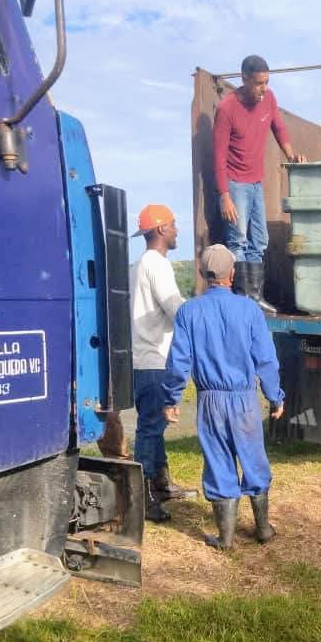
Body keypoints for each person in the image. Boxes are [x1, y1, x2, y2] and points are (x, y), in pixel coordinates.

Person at [162, 244, 285, 550]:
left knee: (218, 462)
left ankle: (226, 538)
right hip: (244, 400)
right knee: (254, 458)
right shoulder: (250, 310)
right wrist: (275, 397)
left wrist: (171, 399)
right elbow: (266, 360)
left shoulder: (189, 311)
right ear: (232, 273)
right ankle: (263, 530)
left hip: (210, 401)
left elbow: (178, 361)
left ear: (203, 274)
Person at [212, 54, 306, 314]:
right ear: (244, 79)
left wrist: (291, 155)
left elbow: (279, 129)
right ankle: (241, 301)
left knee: (260, 240)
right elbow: (218, 158)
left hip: (255, 182)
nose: (264, 89)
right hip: (234, 184)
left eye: (267, 82)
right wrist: (224, 195)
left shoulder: (269, 99)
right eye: (259, 83)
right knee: (238, 241)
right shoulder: (227, 109)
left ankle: (254, 297)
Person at [130, 204, 193, 523]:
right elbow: (177, 310)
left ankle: (162, 484)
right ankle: (141, 499)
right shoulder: (157, 265)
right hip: (154, 359)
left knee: (154, 425)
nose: (177, 229)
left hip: (143, 359)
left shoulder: (138, 265)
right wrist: (203, 316)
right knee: (150, 429)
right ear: (161, 230)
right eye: (173, 224)